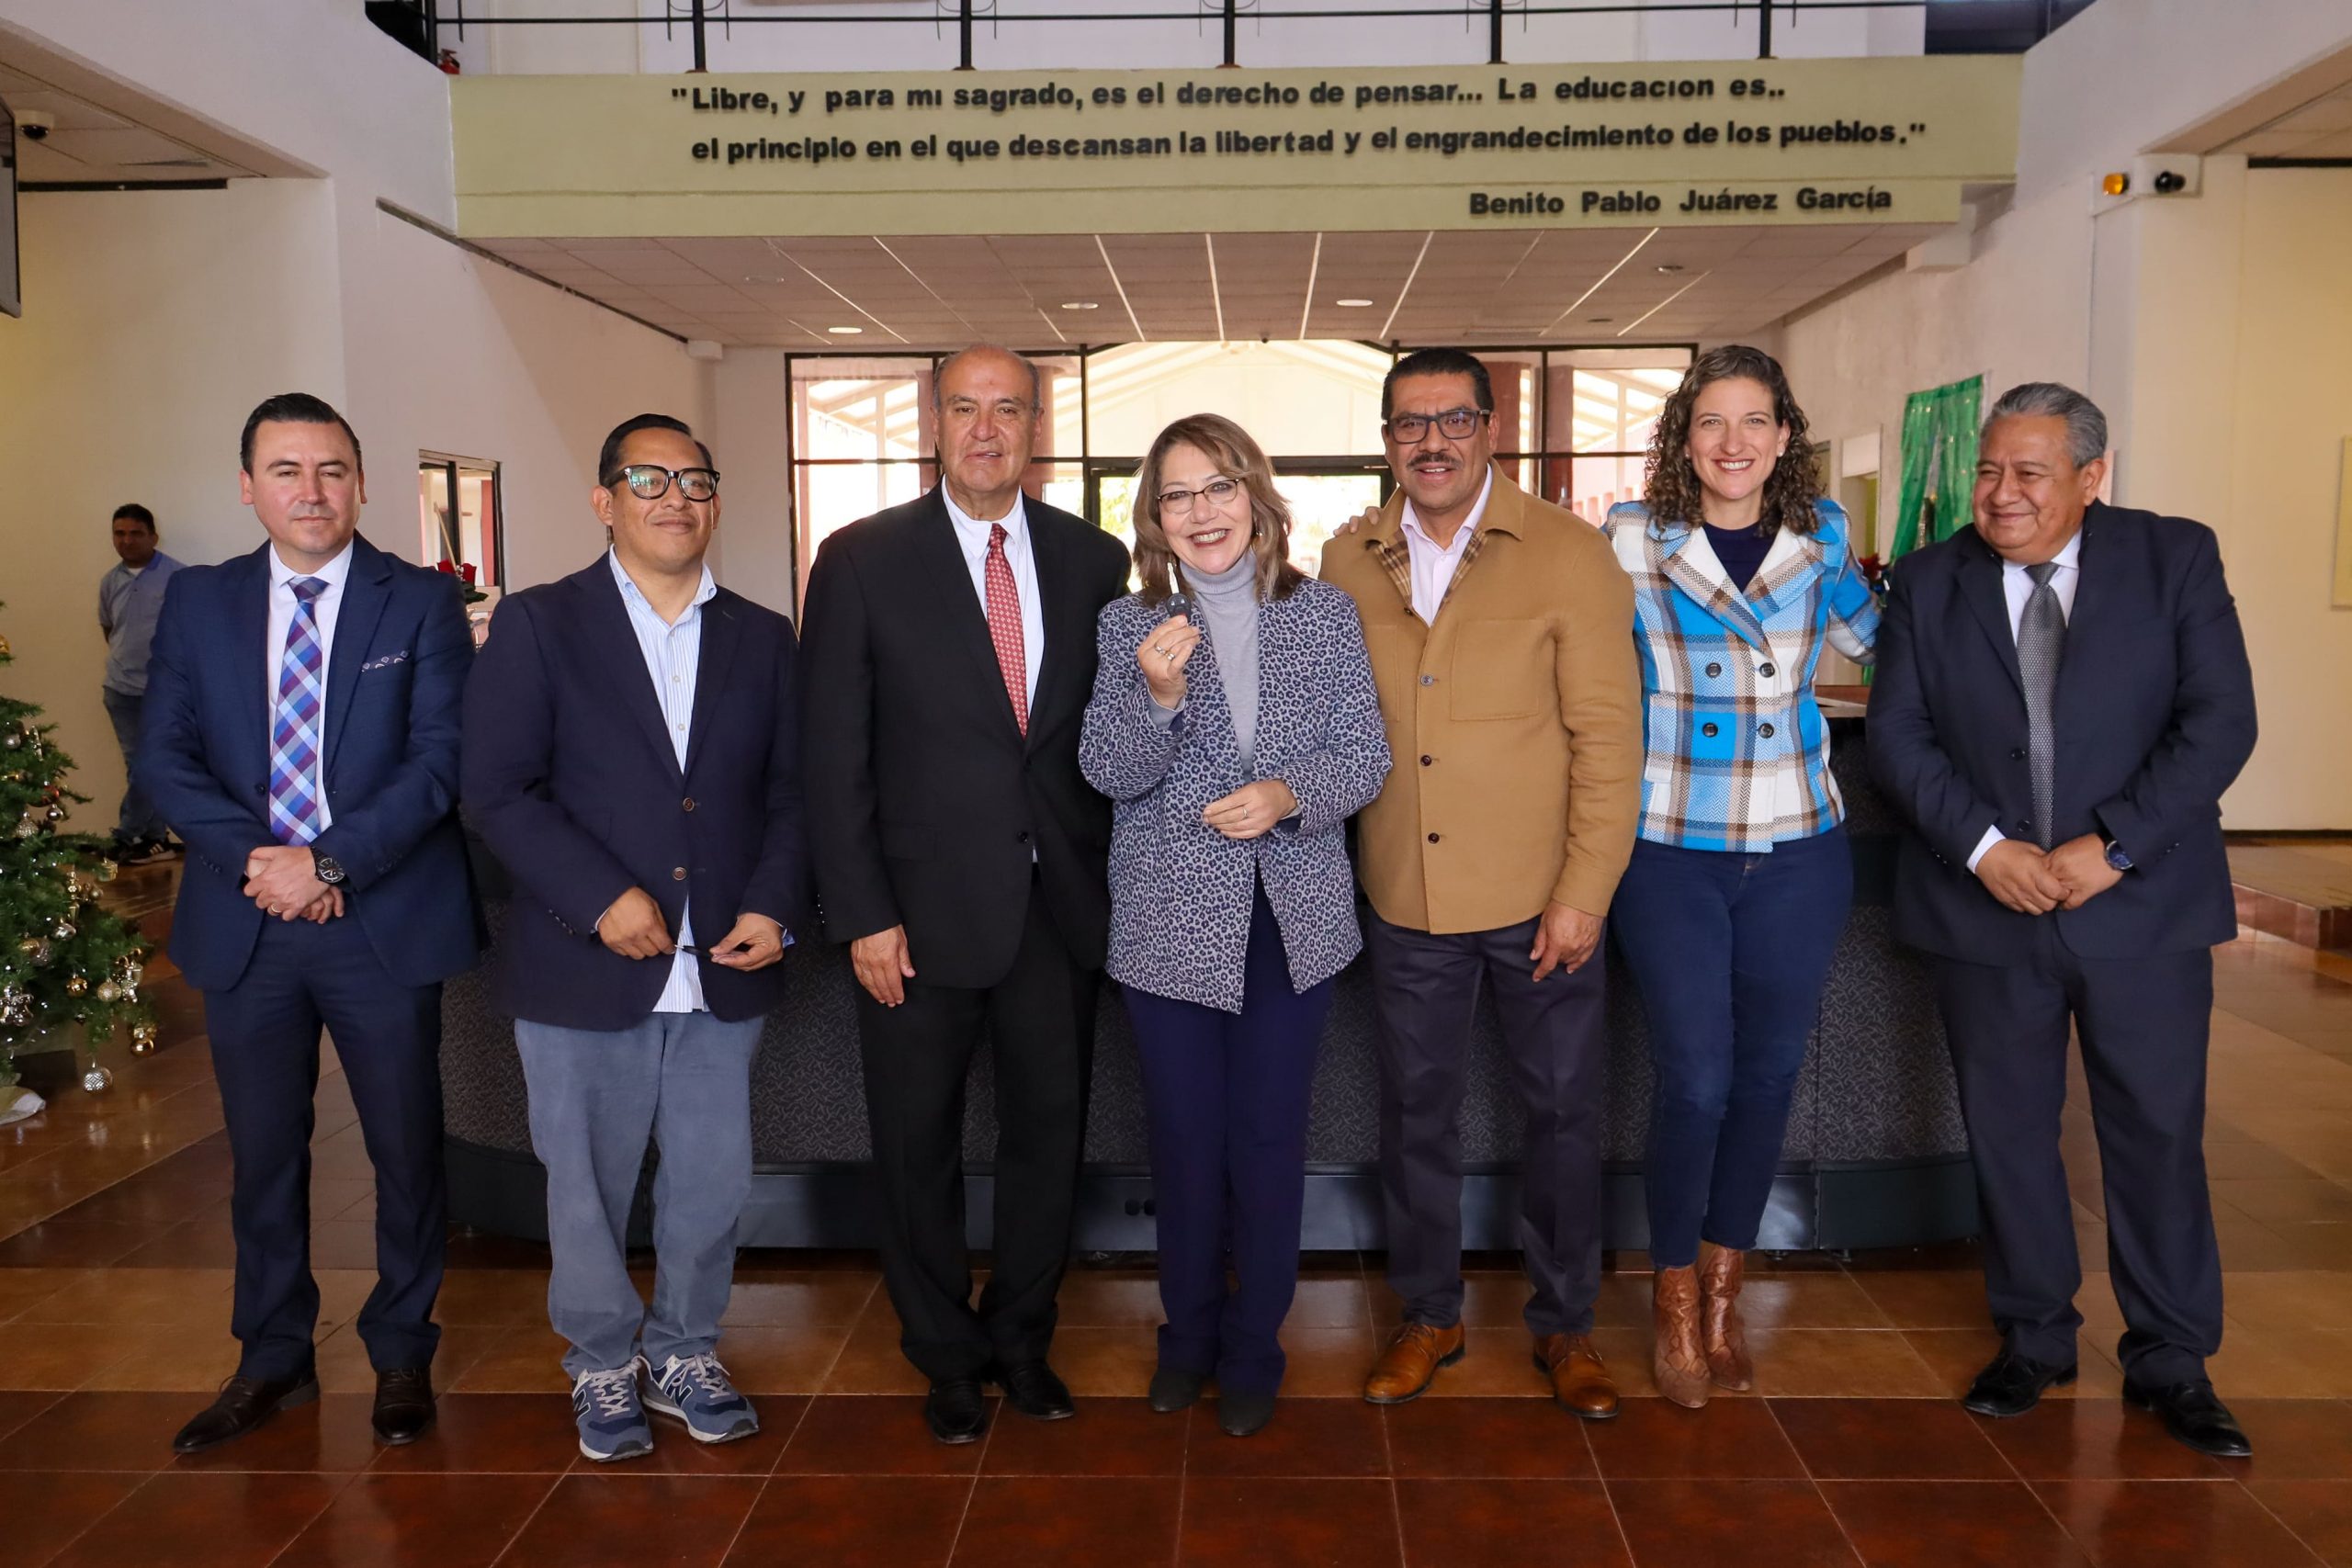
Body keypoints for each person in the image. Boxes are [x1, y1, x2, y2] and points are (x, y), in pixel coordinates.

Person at [1871, 382, 2258, 1458]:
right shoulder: (1929, 579)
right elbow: (1899, 735)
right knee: (2008, 1137)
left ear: (2092, 476)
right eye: (1989, 470)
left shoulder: (2173, 557)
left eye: (2029, 473)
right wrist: (1985, 850)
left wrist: (2114, 846)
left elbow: (2219, 720)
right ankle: (2034, 1337)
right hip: (1985, 910)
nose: (2001, 494)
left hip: (2143, 909)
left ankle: (2171, 1358)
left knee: (2155, 1134)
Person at [800, 345, 1131, 1445]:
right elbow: (831, 755)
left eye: (1007, 409)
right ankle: (943, 1355)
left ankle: (1023, 1342)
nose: (986, 429)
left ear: (1036, 427)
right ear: (933, 424)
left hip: (1056, 909)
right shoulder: (860, 559)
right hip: (912, 916)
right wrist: (860, 913)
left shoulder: (1093, 558)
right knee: (915, 1144)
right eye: (964, 408)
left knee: (1049, 1139)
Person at [141, 394, 480, 1453]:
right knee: (263, 1155)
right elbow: (164, 759)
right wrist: (269, 865)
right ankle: (273, 1355)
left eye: (332, 470)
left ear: (362, 484)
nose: (312, 491)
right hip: (249, 921)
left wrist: (329, 863)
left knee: (405, 1150)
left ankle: (401, 1350)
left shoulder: (418, 601)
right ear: (249, 488)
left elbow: (441, 761)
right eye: (286, 470)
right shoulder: (199, 602)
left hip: (382, 918)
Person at [463, 413, 805, 1463]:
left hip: (722, 966)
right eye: (647, 480)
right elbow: (497, 791)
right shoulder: (539, 625)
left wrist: (774, 904)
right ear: (604, 501)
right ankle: (602, 1361)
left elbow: (794, 795)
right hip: (583, 963)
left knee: (711, 1180)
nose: (674, 499)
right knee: (586, 1183)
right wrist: (599, 897)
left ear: (715, 501)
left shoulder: (764, 637)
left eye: (694, 481)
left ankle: (686, 1348)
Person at [1321, 348, 1642, 1418]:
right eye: (1409, 424)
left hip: (1541, 898)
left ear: (1490, 429)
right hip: (1405, 894)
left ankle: (1566, 1326)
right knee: (1416, 1117)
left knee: (1561, 1115)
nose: (1432, 442)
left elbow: (1608, 739)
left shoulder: (1569, 554)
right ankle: (1429, 1315)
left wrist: (1585, 891)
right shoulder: (1346, 559)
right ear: (1386, 441)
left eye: (1453, 419)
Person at [1079, 414, 1390, 1438]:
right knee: (1183, 1143)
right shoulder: (1129, 626)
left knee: (1266, 1142)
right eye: (1177, 494)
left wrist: (1289, 794)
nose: (1201, 511)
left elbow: (1366, 754)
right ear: (1154, 519)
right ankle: (1187, 1342)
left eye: (1219, 486)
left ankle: (1255, 1347)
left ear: (1255, 497)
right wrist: (1157, 698)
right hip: (1169, 921)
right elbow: (1108, 772)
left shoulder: (1324, 614)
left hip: (1290, 922)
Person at [1600, 345, 1879, 1407]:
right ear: (1682, 438)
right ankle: (1673, 1298)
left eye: (1754, 421)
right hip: (1670, 842)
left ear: (1782, 435)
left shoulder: (1822, 537)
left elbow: (1881, 645)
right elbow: (1574, 663)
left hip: (1798, 842)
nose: (1732, 442)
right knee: (1697, 1077)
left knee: (1767, 1076)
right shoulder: (1632, 538)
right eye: (1710, 421)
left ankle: (1725, 1293)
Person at [96, 502, 185, 862]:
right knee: (139, 765)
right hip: (121, 691)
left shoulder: (178, 578)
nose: (126, 541)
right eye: (119, 534)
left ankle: (127, 833)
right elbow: (109, 629)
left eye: (135, 533)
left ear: (153, 537)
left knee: (152, 764)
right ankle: (155, 839)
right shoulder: (110, 581)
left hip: (164, 692)